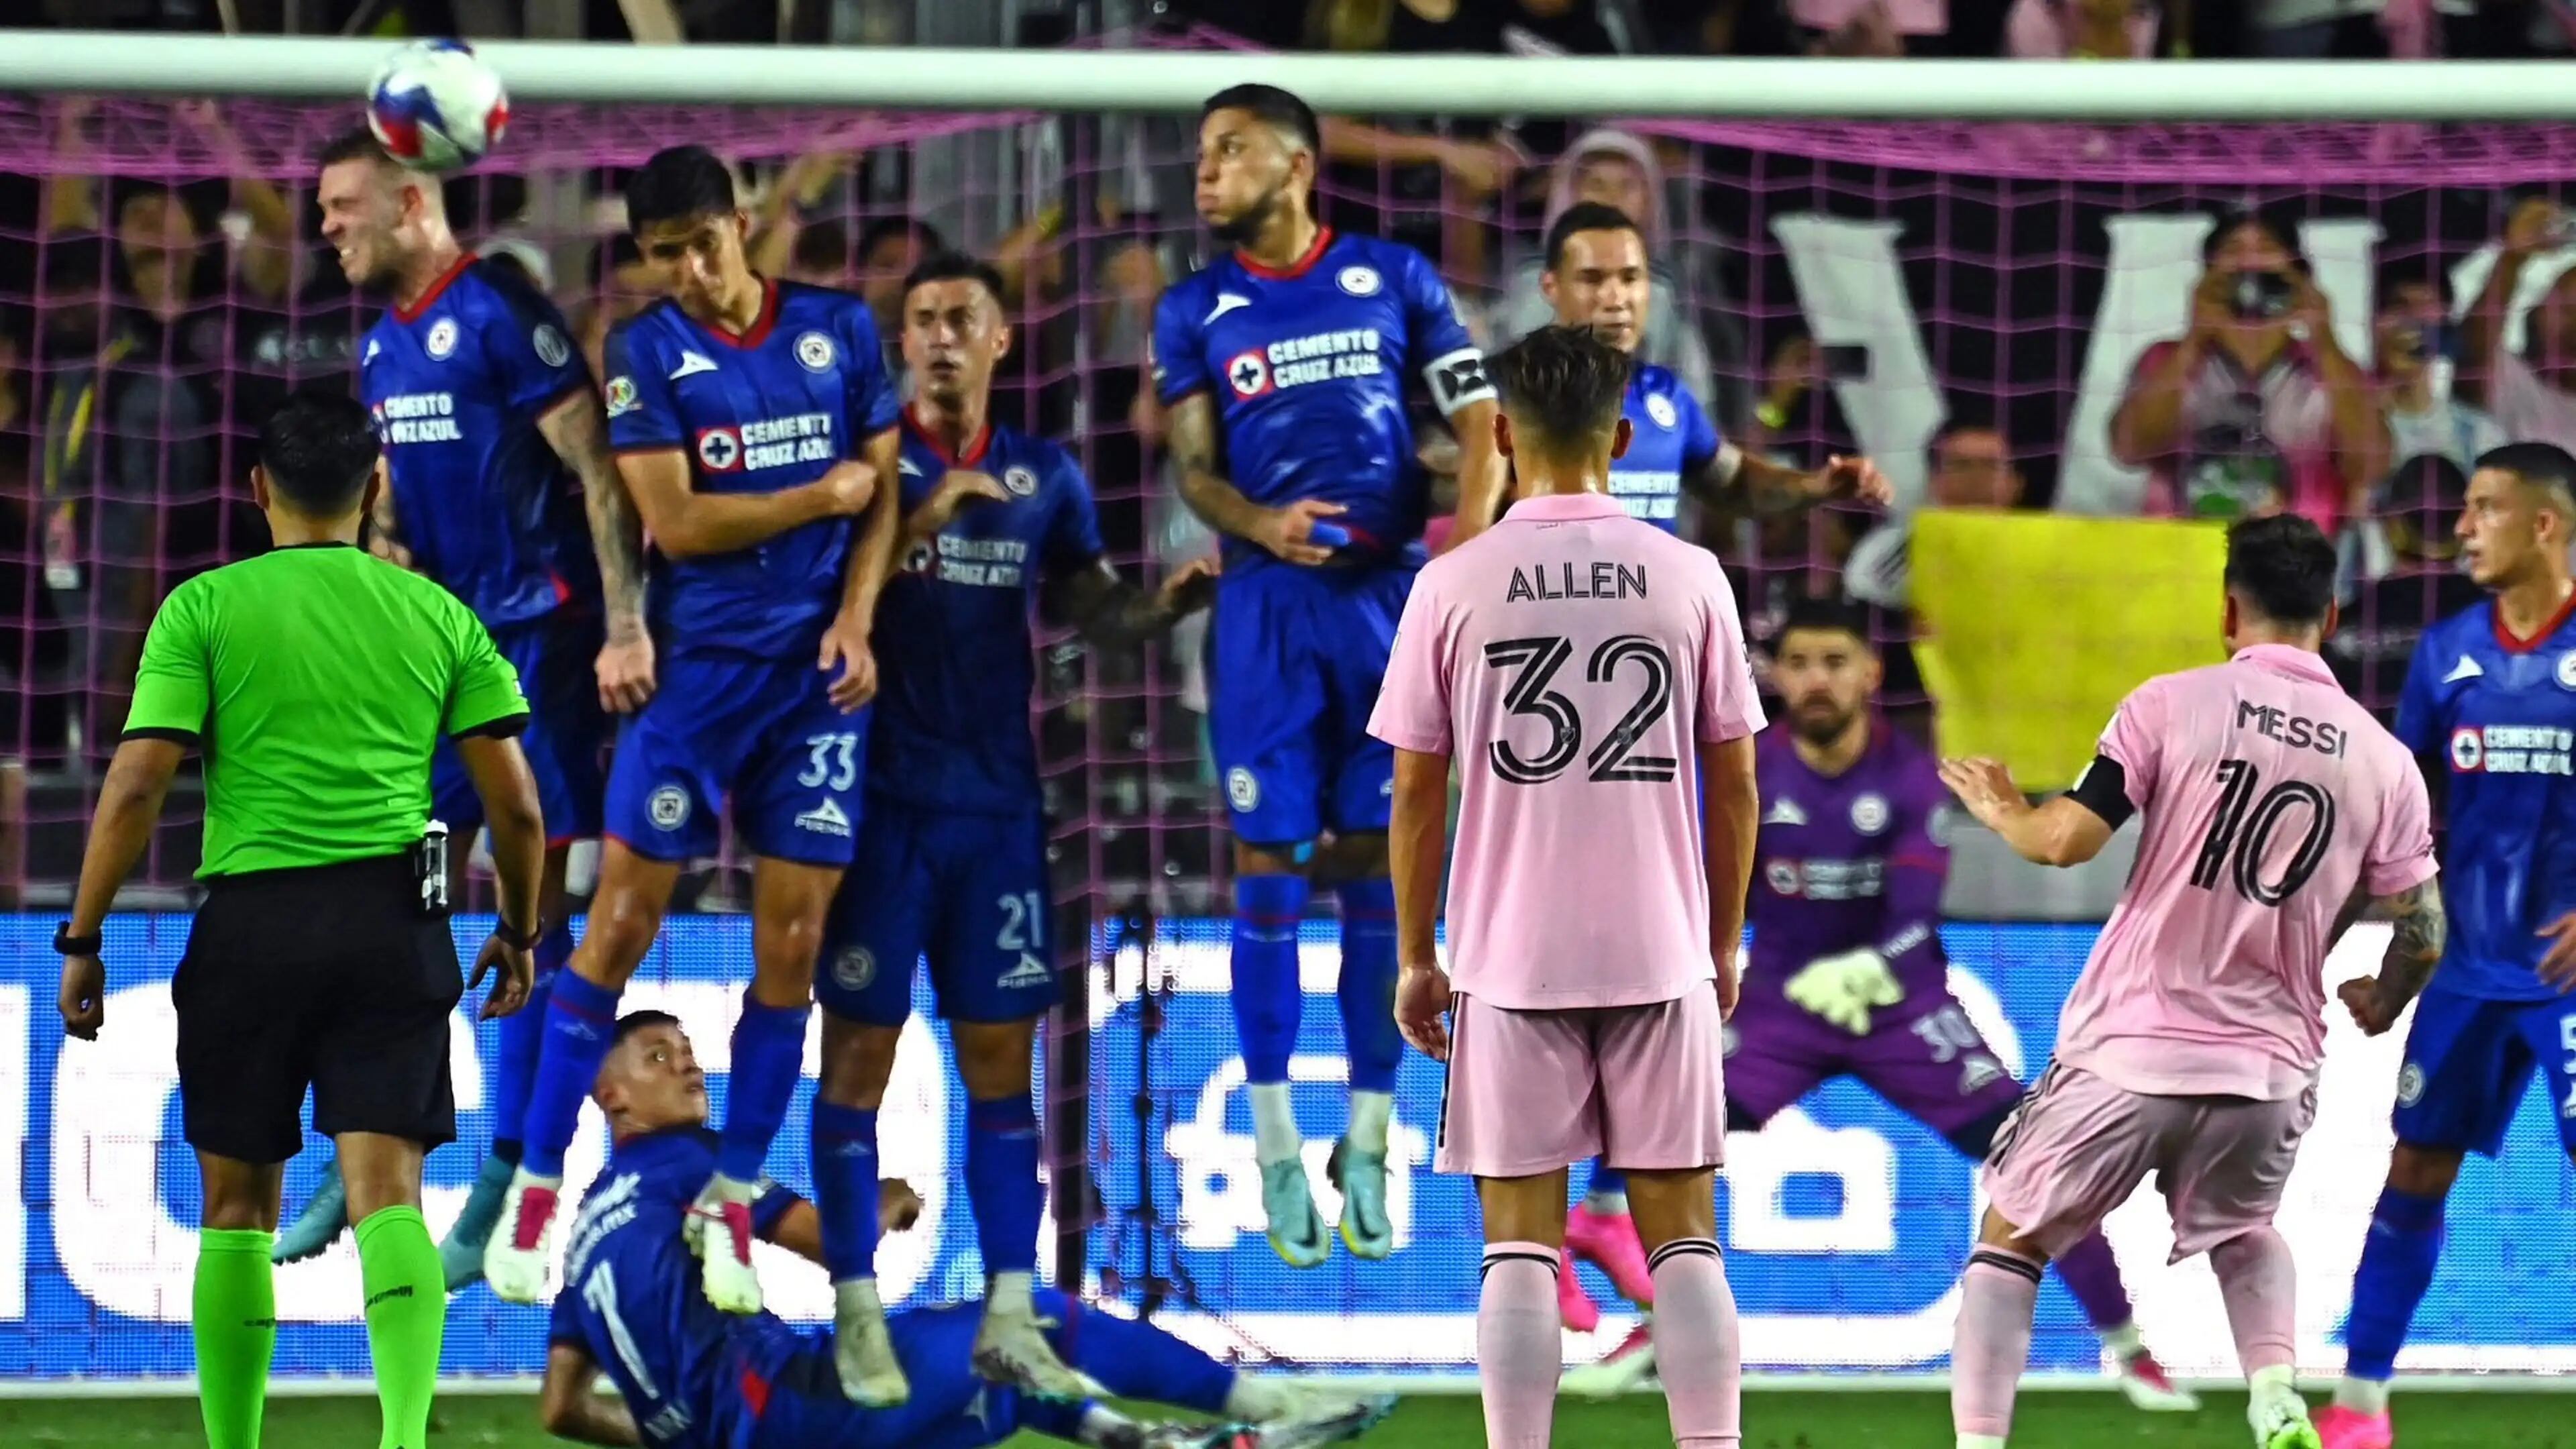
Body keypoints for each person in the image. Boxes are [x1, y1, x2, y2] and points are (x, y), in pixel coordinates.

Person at [51, 387, 547, 1449]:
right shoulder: (438, 613)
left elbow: (137, 785)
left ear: (256, 489)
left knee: (236, 1211)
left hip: (250, 928)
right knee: (391, 1201)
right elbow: (517, 805)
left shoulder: (203, 608)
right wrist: (521, 926)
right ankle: (406, 1438)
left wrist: (84, 937)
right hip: (390, 922)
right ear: (378, 488)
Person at [1564, 597, 2190, 1408]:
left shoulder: (1908, 775)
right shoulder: (1745, 771)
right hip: (1781, 1011)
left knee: (2035, 1162)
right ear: (1775, 674)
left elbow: (1912, 916)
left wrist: (1860, 971)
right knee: (1656, 1127)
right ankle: (1660, 1331)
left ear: (1870, 672)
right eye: (1800, 663)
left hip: (1901, 1008)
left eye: (1835, 662)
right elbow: (1700, 889)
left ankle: (2129, 1349)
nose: (1817, 680)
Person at [485, 146, 904, 1336]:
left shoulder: (837, 329)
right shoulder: (647, 350)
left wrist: (860, 616)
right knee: (617, 921)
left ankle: (730, 1204)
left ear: (743, 221)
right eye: (663, 253)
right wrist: (811, 499)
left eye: (700, 242)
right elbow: (675, 520)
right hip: (699, 679)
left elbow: (882, 498)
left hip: (817, 688)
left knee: (793, 947)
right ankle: (537, 1184)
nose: (686, 268)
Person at [1936, 513, 2444, 1449]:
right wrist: (2383, 995)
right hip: (2271, 1069)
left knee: (2009, 1240)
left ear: (2227, 610)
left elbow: (2064, 843)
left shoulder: (2170, 704)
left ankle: (1978, 1444)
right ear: (2329, 615)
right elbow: (2425, 927)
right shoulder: (2387, 762)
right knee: (2246, 1229)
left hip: (2133, 1048)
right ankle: (2276, 1390)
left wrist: (2005, 809)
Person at [807, 252, 1215, 1403]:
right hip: (878, 810)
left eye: (960, 319)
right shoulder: (866, 472)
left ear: (1000, 341)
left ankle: (1009, 1309)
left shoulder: (1046, 475)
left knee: (1002, 1072)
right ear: (901, 344)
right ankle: (854, 1310)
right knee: (858, 1064)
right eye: (921, 318)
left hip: (997, 813)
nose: (938, 336)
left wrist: (1162, 606)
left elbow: (1093, 611)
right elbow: (826, 617)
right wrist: (922, 515)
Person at [264, 127, 658, 1285]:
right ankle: (366, 1146)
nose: (325, 224)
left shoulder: (497, 309)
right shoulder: (383, 347)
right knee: (395, 881)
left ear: (410, 200)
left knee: (529, 903)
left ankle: (501, 1174)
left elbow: (594, 465)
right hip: (443, 658)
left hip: (543, 644)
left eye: (342, 203)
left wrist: (627, 626)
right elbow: (395, 520)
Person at [1373, 325, 1763, 1449]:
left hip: (1510, 954)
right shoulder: (1692, 575)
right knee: (1686, 1238)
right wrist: (1722, 941)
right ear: (1625, 440)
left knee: (1517, 1245)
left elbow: (1413, 791)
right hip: (1659, 947)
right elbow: (1735, 785)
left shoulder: (1451, 583)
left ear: (1500, 435)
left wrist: (1416, 954)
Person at [1152, 82, 1504, 1269]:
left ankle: (1368, 1132)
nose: (1206, 173)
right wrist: (1254, 516)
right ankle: (1270, 1139)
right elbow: (1194, 473)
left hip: (1390, 602)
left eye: (1230, 151)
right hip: (1263, 612)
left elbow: (1480, 421)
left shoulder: (1397, 279)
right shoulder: (1192, 308)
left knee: (1377, 871)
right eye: (1201, 155)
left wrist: (1472, 546)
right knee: (1267, 867)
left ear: (1295, 165)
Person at [1525, 199, 1884, 1337]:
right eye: (1593, 278)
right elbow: (1470, 535)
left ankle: (1590, 1212)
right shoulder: (1521, 406)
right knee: (1559, 988)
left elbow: (1733, 482)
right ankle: (1556, 1224)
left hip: (1648, 744)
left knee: (1656, 983)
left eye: (1632, 276)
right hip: (1548, 752)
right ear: (1552, 291)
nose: (1616, 297)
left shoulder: (1670, 402)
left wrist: (1812, 487)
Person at [538, 1010, 1395, 1449]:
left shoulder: (580, 1241)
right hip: (797, 1410)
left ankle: (1145, 1441)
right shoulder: (687, 1164)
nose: (684, 1063)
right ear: (609, 1099)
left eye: (686, 1049)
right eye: (657, 1057)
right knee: (1026, 1321)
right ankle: (1274, 1406)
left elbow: (561, 1409)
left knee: (1006, 1380)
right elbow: (833, 1239)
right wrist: (889, 1199)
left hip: (756, 1433)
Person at [2314, 443, 2576, 1449]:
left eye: (2484, 508)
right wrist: (2385, 967)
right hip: (2468, 970)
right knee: (2415, 1168)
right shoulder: (2447, 651)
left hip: (2565, 978)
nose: (2463, 527)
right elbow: (2400, 820)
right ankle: (2361, 1405)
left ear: (2543, 525)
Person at [2109, 209, 2390, 531]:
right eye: (2233, 249)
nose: (2249, 258)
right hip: (2182, 563)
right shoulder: (2167, 359)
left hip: (2294, 569)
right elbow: (2128, 451)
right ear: (2208, 276)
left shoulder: (2335, 371)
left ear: (2298, 273)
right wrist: (2195, 338)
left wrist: (2324, 340)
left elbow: (2371, 468)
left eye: (2266, 247)